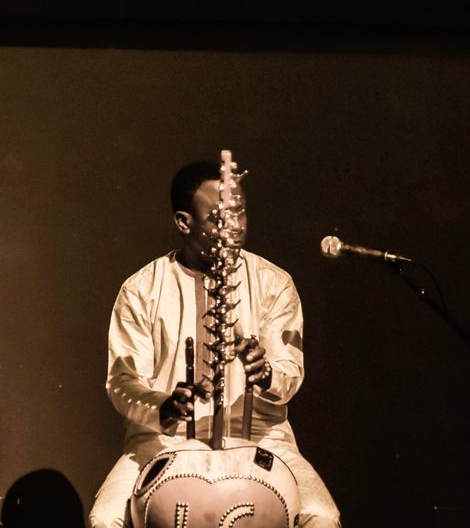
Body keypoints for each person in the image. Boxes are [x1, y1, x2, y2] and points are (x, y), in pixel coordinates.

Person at [89, 159, 342, 528]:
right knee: (105, 518)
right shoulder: (142, 290)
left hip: (261, 439)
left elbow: (289, 373)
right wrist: (164, 405)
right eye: (218, 218)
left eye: (240, 213)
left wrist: (266, 374)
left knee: (323, 517)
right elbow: (122, 383)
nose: (235, 227)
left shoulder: (273, 283)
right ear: (184, 222)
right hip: (164, 441)